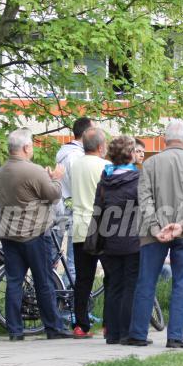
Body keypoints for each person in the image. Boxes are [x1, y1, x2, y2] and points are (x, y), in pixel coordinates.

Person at [127, 121, 183, 348]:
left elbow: (144, 200)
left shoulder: (150, 164)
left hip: (152, 233)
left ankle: (137, 333)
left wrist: (155, 227)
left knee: (146, 282)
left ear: (165, 141)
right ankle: (175, 336)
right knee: (182, 283)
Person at [0, 128, 72, 341]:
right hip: (34, 234)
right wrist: (56, 179)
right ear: (26, 147)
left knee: (14, 282)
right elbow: (54, 196)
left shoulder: (2, 171)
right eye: (32, 145)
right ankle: (53, 328)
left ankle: (15, 330)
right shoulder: (33, 170)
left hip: (8, 234)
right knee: (44, 282)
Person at [93, 136, 140, 344]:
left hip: (109, 240)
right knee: (131, 285)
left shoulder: (105, 180)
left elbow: (98, 210)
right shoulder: (137, 179)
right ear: (130, 155)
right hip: (132, 240)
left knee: (114, 286)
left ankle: (111, 333)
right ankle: (126, 332)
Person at [69, 127, 111, 338]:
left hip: (79, 227)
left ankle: (80, 324)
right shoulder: (107, 166)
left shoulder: (74, 165)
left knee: (83, 279)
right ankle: (109, 324)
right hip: (103, 227)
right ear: (101, 146)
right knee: (111, 276)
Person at [54, 117, 95, 281]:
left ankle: (47, 300)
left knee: (51, 260)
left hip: (59, 208)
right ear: (86, 133)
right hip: (74, 212)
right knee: (73, 263)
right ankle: (68, 304)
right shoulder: (76, 157)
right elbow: (81, 186)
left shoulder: (64, 153)